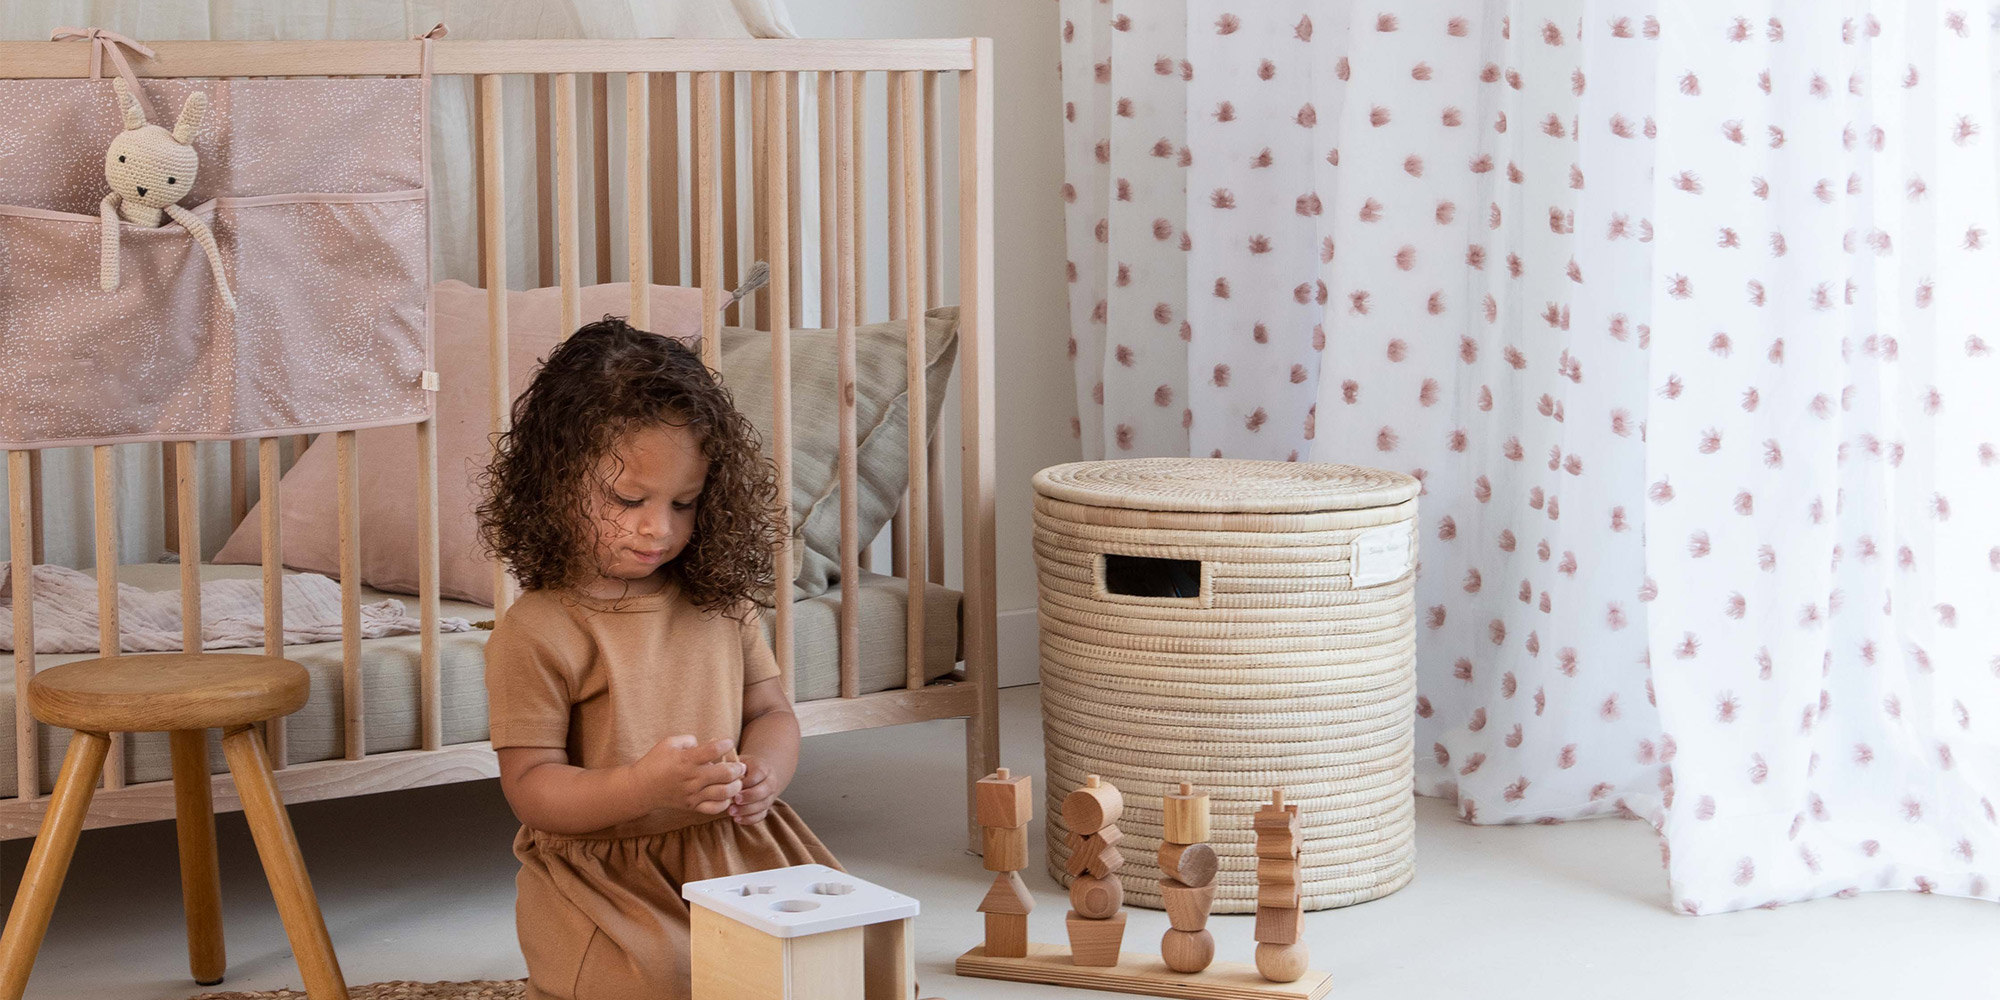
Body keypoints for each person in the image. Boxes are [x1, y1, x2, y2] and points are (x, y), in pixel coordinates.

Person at [476, 317, 838, 999]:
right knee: (673, 976)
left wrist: (767, 770)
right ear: (553, 484)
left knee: (831, 952)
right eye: (628, 499)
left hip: (736, 854)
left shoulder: (720, 602)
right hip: (606, 880)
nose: (660, 528)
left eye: (685, 503)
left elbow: (770, 712)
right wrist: (643, 788)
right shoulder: (538, 630)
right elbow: (531, 788)